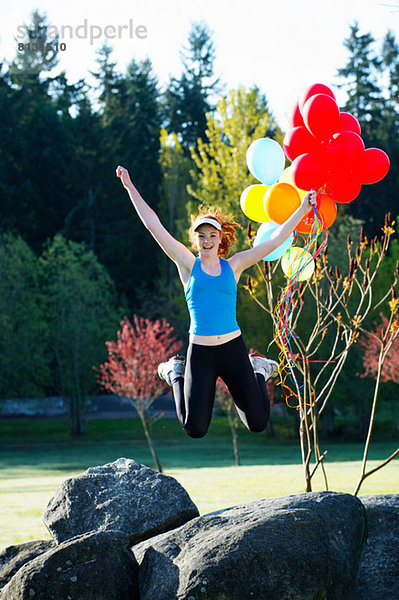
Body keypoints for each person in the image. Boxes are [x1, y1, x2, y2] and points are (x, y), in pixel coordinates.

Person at [116, 165, 316, 438]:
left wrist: (302, 210)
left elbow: (276, 239)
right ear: (195, 239)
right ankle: (175, 372)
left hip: (234, 350)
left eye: (212, 235)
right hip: (201, 355)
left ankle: (259, 368)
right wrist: (130, 187)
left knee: (258, 422)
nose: (207, 240)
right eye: (202, 235)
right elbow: (154, 225)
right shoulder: (187, 263)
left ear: (220, 238)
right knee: (194, 428)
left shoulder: (234, 265)